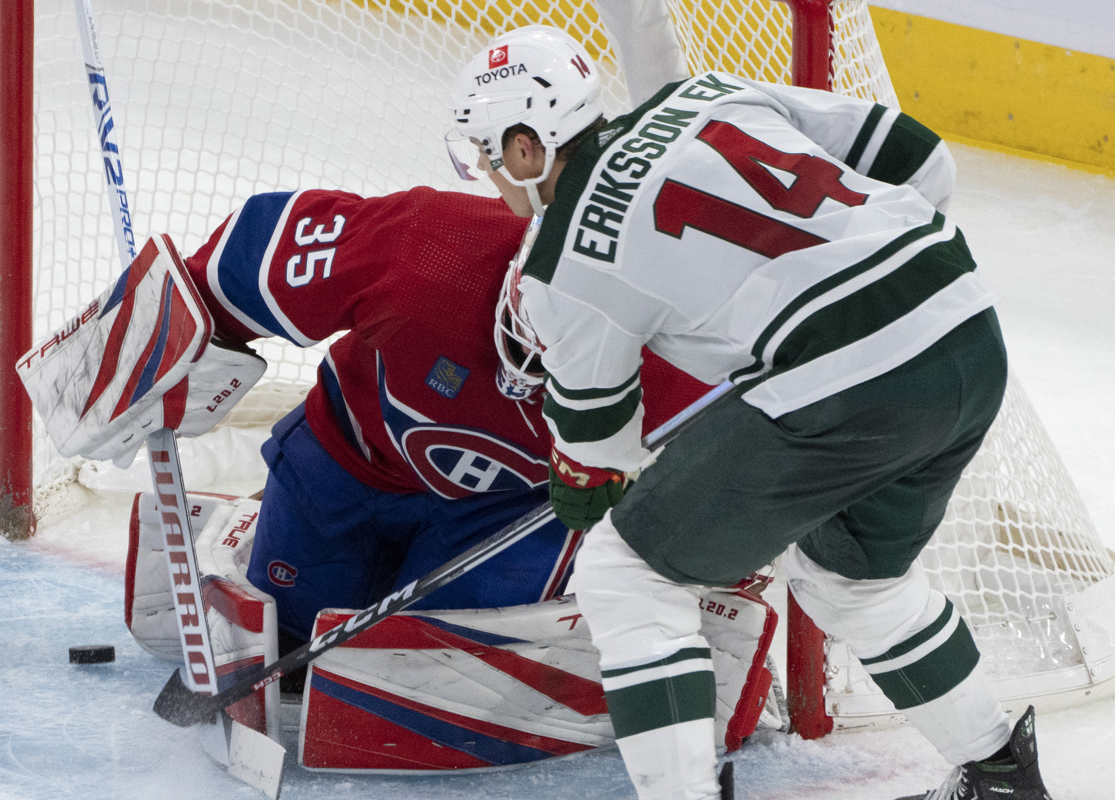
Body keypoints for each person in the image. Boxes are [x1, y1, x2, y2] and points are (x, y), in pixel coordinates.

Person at [446, 24, 1054, 800]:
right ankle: (1003, 776)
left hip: (852, 380)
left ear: (527, 147)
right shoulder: (708, 94)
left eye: (489, 156)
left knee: (625, 573)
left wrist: (583, 485)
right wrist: (861, 270)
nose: (489, 178)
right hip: (965, 326)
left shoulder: (561, 262)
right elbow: (921, 157)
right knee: (852, 583)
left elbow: (599, 453)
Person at [177, 186, 712, 654]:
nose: (521, 377)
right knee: (287, 632)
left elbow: (757, 450)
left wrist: (729, 549)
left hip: (504, 514)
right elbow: (255, 254)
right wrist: (176, 328)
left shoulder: (686, 361)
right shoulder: (430, 246)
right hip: (347, 463)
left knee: (433, 656)